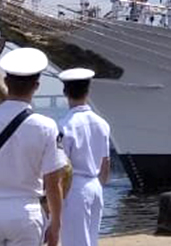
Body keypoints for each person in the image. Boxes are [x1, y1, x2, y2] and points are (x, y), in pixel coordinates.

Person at [0, 48, 68, 246]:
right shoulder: (46, 126)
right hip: (26, 214)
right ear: (36, 86)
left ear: (6, 82)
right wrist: (55, 226)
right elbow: (53, 183)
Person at [55, 69, 109, 246]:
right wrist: (99, 187)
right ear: (88, 91)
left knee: (74, 241)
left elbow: (62, 168)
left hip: (74, 187)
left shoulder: (64, 126)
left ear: (65, 92)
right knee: (91, 240)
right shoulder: (102, 123)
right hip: (95, 185)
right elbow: (105, 162)